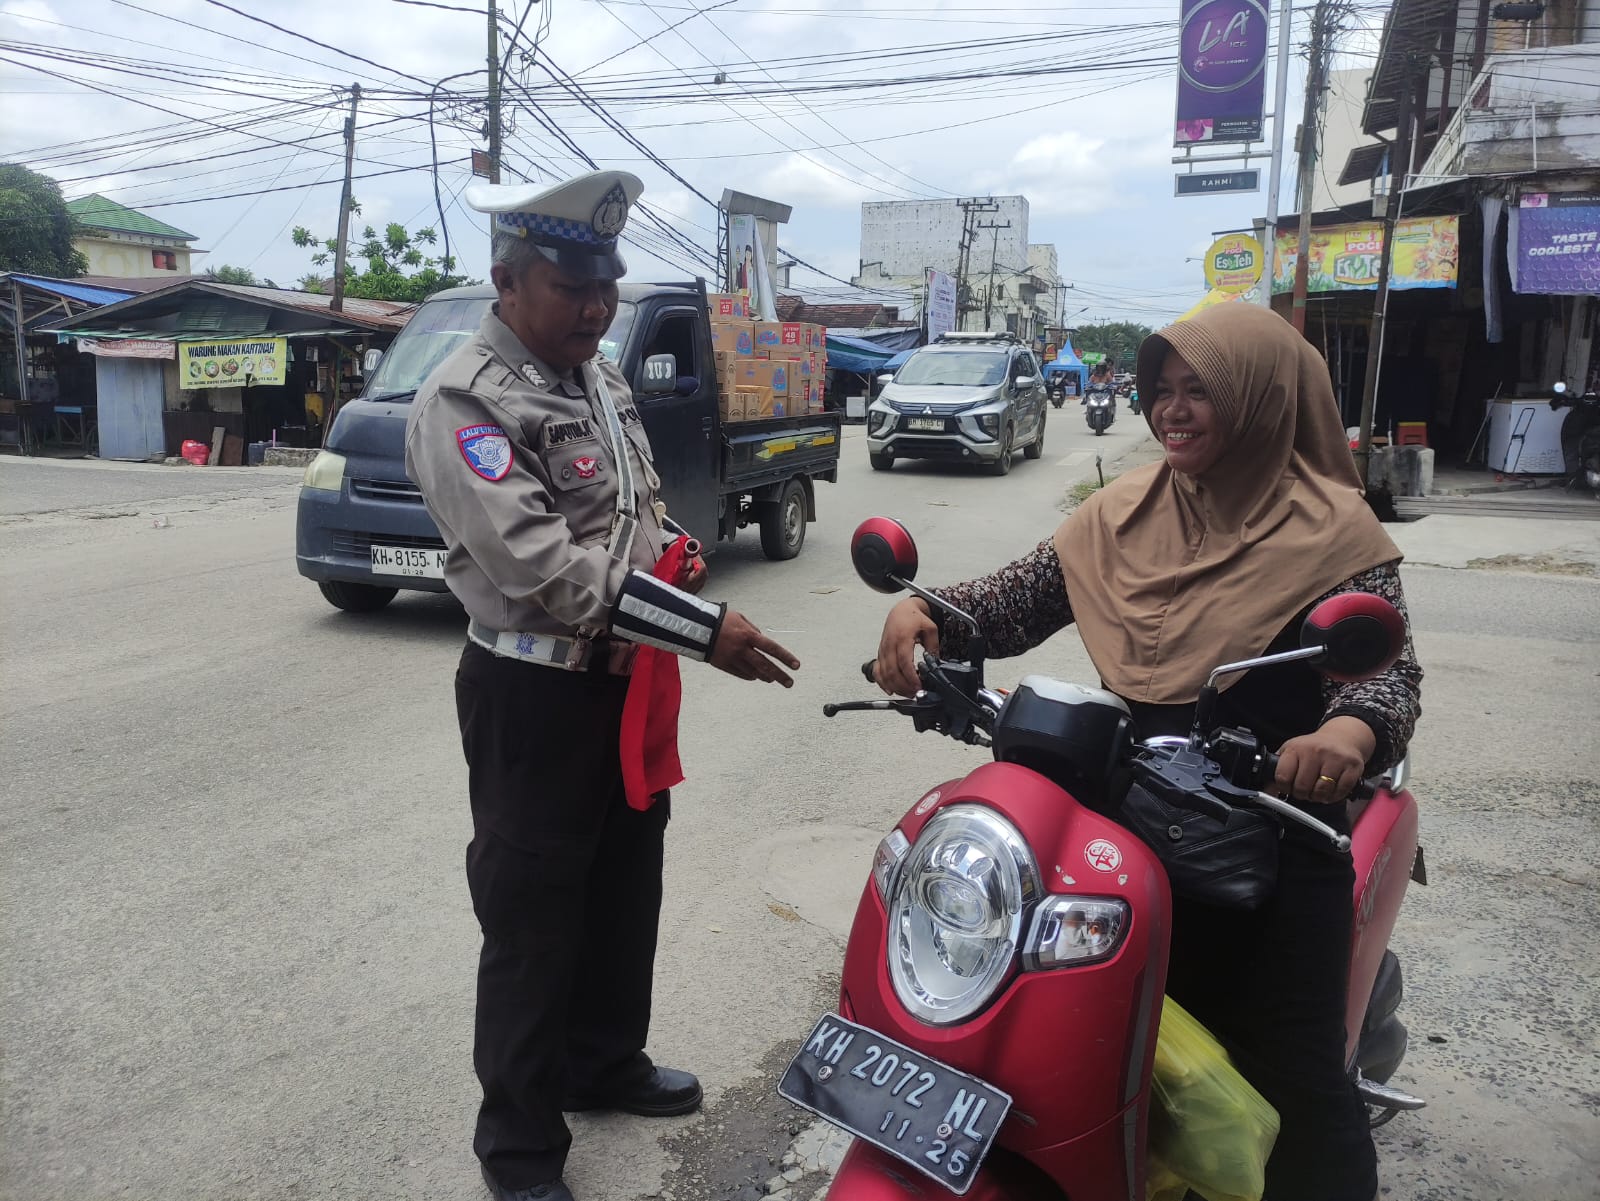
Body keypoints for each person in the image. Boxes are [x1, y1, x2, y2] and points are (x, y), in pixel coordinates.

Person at [874, 303, 1422, 1201]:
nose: (1173, 409)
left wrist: (1344, 733)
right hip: (1127, 817)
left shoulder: (1336, 532)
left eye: (1200, 389)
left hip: (1276, 833)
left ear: (1261, 399)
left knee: (1298, 1077)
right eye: (1161, 389)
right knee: (1066, 1035)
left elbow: (1385, 676)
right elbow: (1013, 599)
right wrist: (925, 610)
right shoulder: (1121, 510)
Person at [405, 171, 801, 1201]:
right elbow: (543, 567)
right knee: (532, 919)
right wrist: (702, 627)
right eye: (571, 284)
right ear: (507, 281)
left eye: (607, 285)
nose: (595, 305)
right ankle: (521, 1145)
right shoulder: (465, 401)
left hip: (624, 686)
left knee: (626, 885)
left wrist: (677, 554)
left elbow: (639, 503)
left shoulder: (597, 377)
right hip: (533, 697)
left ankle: (603, 1061)